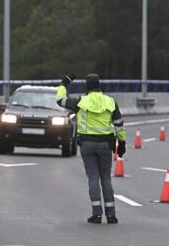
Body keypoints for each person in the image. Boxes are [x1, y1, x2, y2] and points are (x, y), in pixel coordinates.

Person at [56, 73, 126, 224]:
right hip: (105, 145)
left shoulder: (81, 101)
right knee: (106, 178)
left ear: (87, 87)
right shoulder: (110, 101)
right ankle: (111, 215)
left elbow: (60, 100)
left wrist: (63, 84)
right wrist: (122, 142)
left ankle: (97, 214)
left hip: (87, 145)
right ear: (99, 86)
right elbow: (119, 123)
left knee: (93, 178)